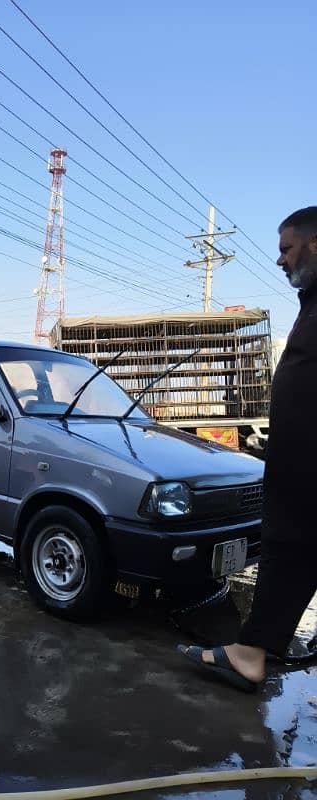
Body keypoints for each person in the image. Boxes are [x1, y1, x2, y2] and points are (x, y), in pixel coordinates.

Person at [178, 206, 317, 691]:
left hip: (308, 470)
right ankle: (251, 651)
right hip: (299, 468)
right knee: (292, 555)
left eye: (286, 248)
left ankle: (251, 651)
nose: (279, 260)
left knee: (289, 550)